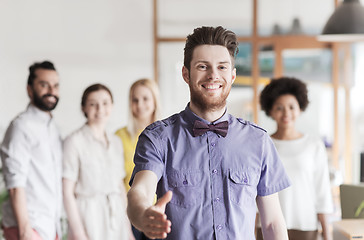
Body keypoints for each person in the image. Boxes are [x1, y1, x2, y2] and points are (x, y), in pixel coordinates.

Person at [127, 26, 291, 240]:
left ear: (232, 75)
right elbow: (139, 192)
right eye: (203, 66)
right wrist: (143, 215)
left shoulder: (258, 141)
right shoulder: (158, 138)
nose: (213, 75)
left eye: (222, 67)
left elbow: (272, 222)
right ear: (186, 74)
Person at [259, 77, 333, 240]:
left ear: (300, 108)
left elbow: (323, 192)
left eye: (292, 107)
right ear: (270, 111)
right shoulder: (263, 144)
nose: (286, 113)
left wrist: (327, 233)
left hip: (305, 225)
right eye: (279, 107)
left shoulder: (314, 145)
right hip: (267, 227)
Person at [62, 84, 134, 240]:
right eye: (93, 104)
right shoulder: (74, 141)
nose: (100, 109)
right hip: (89, 217)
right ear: (84, 108)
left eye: (105, 103)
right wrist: (79, 233)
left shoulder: (116, 141)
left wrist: (128, 230)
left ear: (112, 106)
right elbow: (67, 192)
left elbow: (119, 187)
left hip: (116, 217)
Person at [0, 61, 62, 240]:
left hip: (50, 226)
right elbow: (15, 184)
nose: (52, 90)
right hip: (28, 227)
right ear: (29, 89)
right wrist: (26, 231)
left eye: (55, 85)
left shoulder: (53, 128)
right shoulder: (21, 127)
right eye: (44, 85)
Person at [115, 78, 160, 240]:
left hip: (160, 213)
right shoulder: (119, 137)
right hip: (130, 215)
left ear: (155, 101)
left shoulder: (166, 136)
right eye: (135, 100)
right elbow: (118, 182)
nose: (140, 104)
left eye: (145, 99)